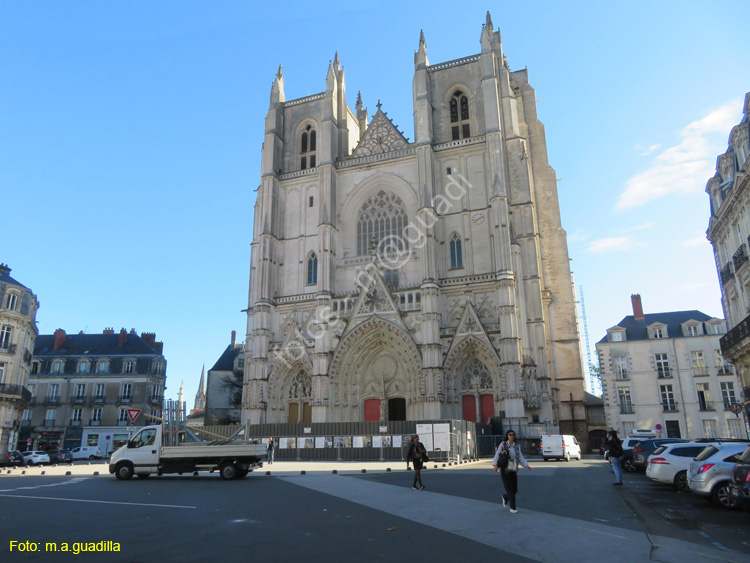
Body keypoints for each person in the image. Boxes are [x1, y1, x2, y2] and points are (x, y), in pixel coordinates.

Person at [492, 430, 531, 513]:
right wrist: (495, 465)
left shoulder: (517, 446)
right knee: (510, 489)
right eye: (510, 435)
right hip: (505, 470)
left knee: (515, 489)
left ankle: (506, 497)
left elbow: (520, 457)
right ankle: (513, 508)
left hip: (513, 469)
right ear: (507, 436)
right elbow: (497, 454)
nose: (512, 436)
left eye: (513, 435)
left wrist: (526, 465)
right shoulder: (503, 444)